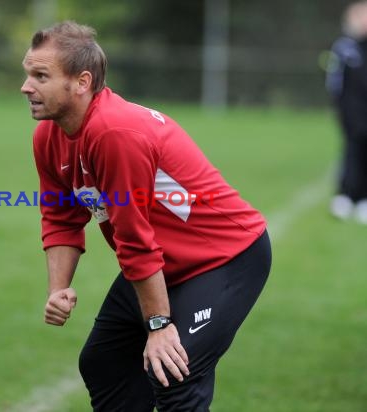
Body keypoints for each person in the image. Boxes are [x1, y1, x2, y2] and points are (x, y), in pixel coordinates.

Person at [21, 21, 272, 411]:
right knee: (103, 364)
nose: (26, 86)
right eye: (27, 73)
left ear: (81, 82)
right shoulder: (49, 136)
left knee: (173, 371)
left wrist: (158, 325)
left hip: (224, 258)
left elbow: (133, 236)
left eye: (41, 75)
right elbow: (60, 217)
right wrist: (58, 288)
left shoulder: (114, 133)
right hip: (162, 262)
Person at [326, 1, 367, 224]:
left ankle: (362, 198)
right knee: (352, 150)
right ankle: (345, 195)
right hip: (352, 113)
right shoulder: (345, 48)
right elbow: (335, 81)